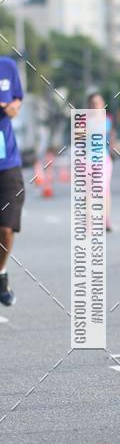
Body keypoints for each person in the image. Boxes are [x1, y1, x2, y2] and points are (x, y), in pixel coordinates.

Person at [0, 56, 25, 306]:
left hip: (7, 162)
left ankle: (1, 272)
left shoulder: (7, 66)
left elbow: (18, 97)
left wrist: (14, 106)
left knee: (6, 227)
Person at [87, 91, 116, 232]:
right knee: (89, 192)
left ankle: (106, 219)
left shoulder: (107, 120)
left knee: (104, 190)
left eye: (98, 103)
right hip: (86, 159)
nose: (95, 106)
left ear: (103, 104)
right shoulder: (83, 120)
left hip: (103, 159)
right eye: (93, 104)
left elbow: (111, 136)